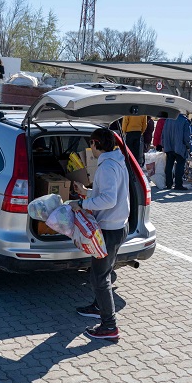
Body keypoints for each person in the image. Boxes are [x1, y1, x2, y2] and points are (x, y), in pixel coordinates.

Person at [70, 128, 130, 340]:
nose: (90, 148)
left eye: (91, 144)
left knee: (99, 277)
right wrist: (86, 192)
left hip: (109, 229)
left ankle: (109, 326)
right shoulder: (117, 161)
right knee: (103, 272)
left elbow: (109, 200)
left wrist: (81, 204)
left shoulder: (106, 166)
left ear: (95, 143)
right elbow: (109, 193)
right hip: (119, 226)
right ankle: (98, 307)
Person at [162, 112, 192, 191]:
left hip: (169, 146)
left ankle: (168, 184)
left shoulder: (168, 119)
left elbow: (163, 133)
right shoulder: (185, 121)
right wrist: (188, 145)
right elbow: (187, 136)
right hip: (180, 147)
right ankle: (178, 184)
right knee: (180, 166)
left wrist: (163, 144)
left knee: (169, 165)